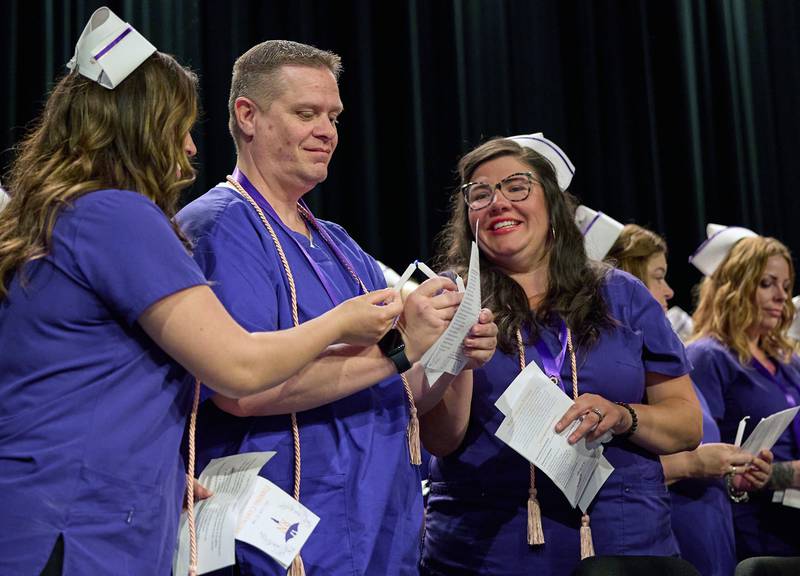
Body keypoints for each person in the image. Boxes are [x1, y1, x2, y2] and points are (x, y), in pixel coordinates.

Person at [0, 10, 404, 575]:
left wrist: (154, 466)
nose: (191, 147)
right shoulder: (116, 215)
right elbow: (237, 369)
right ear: (140, 125)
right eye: (180, 126)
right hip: (76, 525)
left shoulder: (54, 216)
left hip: (54, 508)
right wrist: (345, 325)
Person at [176, 40, 497, 575]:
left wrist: (452, 352)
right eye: (307, 113)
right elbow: (240, 391)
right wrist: (401, 351)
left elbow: (401, 394)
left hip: (379, 529)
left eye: (333, 115)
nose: (328, 130)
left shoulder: (341, 247)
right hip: (283, 542)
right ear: (247, 115)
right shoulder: (218, 227)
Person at [419, 136, 702, 575]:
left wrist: (624, 416)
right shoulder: (447, 298)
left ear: (552, 203)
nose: (498, 203)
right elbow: (441, 441)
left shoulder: (623, 295)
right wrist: (459, 362)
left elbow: (687, 424)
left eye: (516, 186)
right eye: (480, 193)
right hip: (487, 549)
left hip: (620, 542)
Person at [607, 223, 773, 576]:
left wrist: (732, 470)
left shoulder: (665, 365)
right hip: (659, 531)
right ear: (627, 281)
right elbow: (611, 471)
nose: (669, 291)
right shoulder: (615, 373)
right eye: (658, 277)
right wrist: (694, 464)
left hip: (708, 525)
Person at [687, 226, 800, 560]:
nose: (781, 296)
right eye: (767, 284)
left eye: (786, 286)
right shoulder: (708, 356)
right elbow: (697, 450)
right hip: (749, 532)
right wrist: (771, 475)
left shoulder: (788, 360)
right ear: (734, 287)